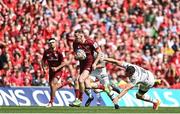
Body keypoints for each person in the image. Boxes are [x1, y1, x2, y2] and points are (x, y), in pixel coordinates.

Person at [70, 29, 102, 106]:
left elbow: (100, 52)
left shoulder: (91, 42)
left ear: (82, 35)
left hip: (89, 63)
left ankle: (79, 100)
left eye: (77, 37)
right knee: (85, 84)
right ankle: (104, 88)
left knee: (80, 80)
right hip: (82, 64)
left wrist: (95, 63)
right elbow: (75, 55)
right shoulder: (75, 43)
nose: (75, 38)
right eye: (75, 37)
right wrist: (77, 57)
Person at [41, 38, 70, 107]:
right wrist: (44, 68)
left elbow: (64, 63)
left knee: (52, 84)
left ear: (56, 43)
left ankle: (51, 102)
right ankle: (65, 83)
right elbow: (43, 60)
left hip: (58, 71)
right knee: (52, 87)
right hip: (51, 71)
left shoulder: (59, 52)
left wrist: (57, 68)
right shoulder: (47, 52)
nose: (51, 44)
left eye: (53, 42)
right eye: (50, 43)